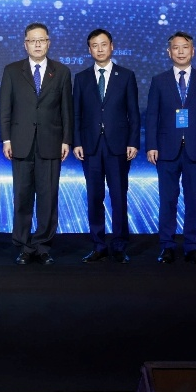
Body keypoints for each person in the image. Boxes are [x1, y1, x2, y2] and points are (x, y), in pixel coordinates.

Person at [0, 22, 73, 265]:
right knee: (22, 197)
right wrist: (6, 139)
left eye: (42, 40)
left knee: (48, 197)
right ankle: (23, 245)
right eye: (33, 40)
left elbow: (66, 110)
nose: (37, 44)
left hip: (51, 143)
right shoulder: (12, 71)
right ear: (25, 44)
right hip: (20, 143)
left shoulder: (61, 71)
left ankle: (43, 245)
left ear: (48, 43)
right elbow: (5, 108)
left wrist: (66, 140)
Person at [145, 31, 196, 265]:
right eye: (176, 48)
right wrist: (151, 145)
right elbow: (152, 116)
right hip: (166, 150)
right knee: (167, 200)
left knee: (194, 200)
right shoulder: (159, 80)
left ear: (193, 51)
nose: (180, 52)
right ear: (169, 52)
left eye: (185, 47)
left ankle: (192, 246)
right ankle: (167, 246)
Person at [72, 28, 139, 264]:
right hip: (90, 146)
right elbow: (76, 114)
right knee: (94, 196)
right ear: (89, 49)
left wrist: (133, 141)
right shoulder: (81, 78)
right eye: (94, 45)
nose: (99, 49)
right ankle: (98, 244)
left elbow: (133, 113)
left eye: (103, 44)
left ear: (112, 46)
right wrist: (77, 142)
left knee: (119, 196)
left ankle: (119, 245)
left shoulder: (126, 75)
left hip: (118, 146)